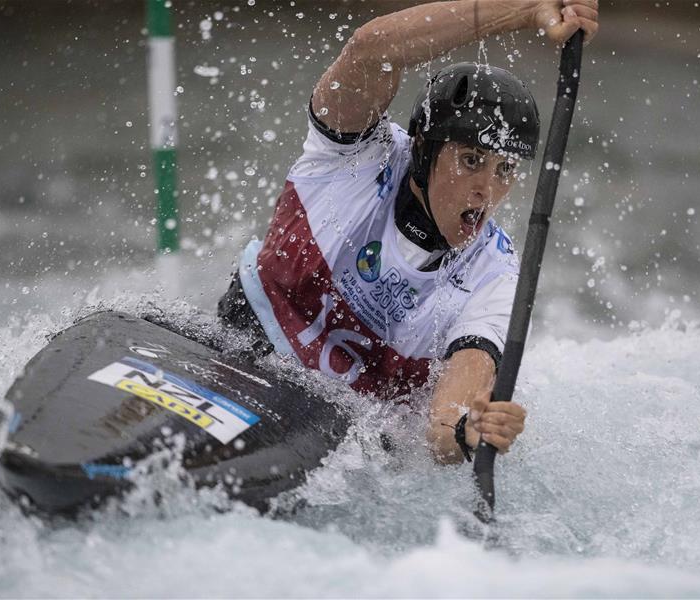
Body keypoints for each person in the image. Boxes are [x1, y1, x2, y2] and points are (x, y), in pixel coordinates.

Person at [218, 0, 599, 464]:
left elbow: (443, 428)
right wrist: (525, 9)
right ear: (422, 147)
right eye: (471, 161)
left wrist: (469, 431)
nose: (487, 191)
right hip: (240, 345)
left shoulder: (497, 278)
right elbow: (372, 47)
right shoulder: (355, 155)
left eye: (506, 170)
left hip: (338, 433)